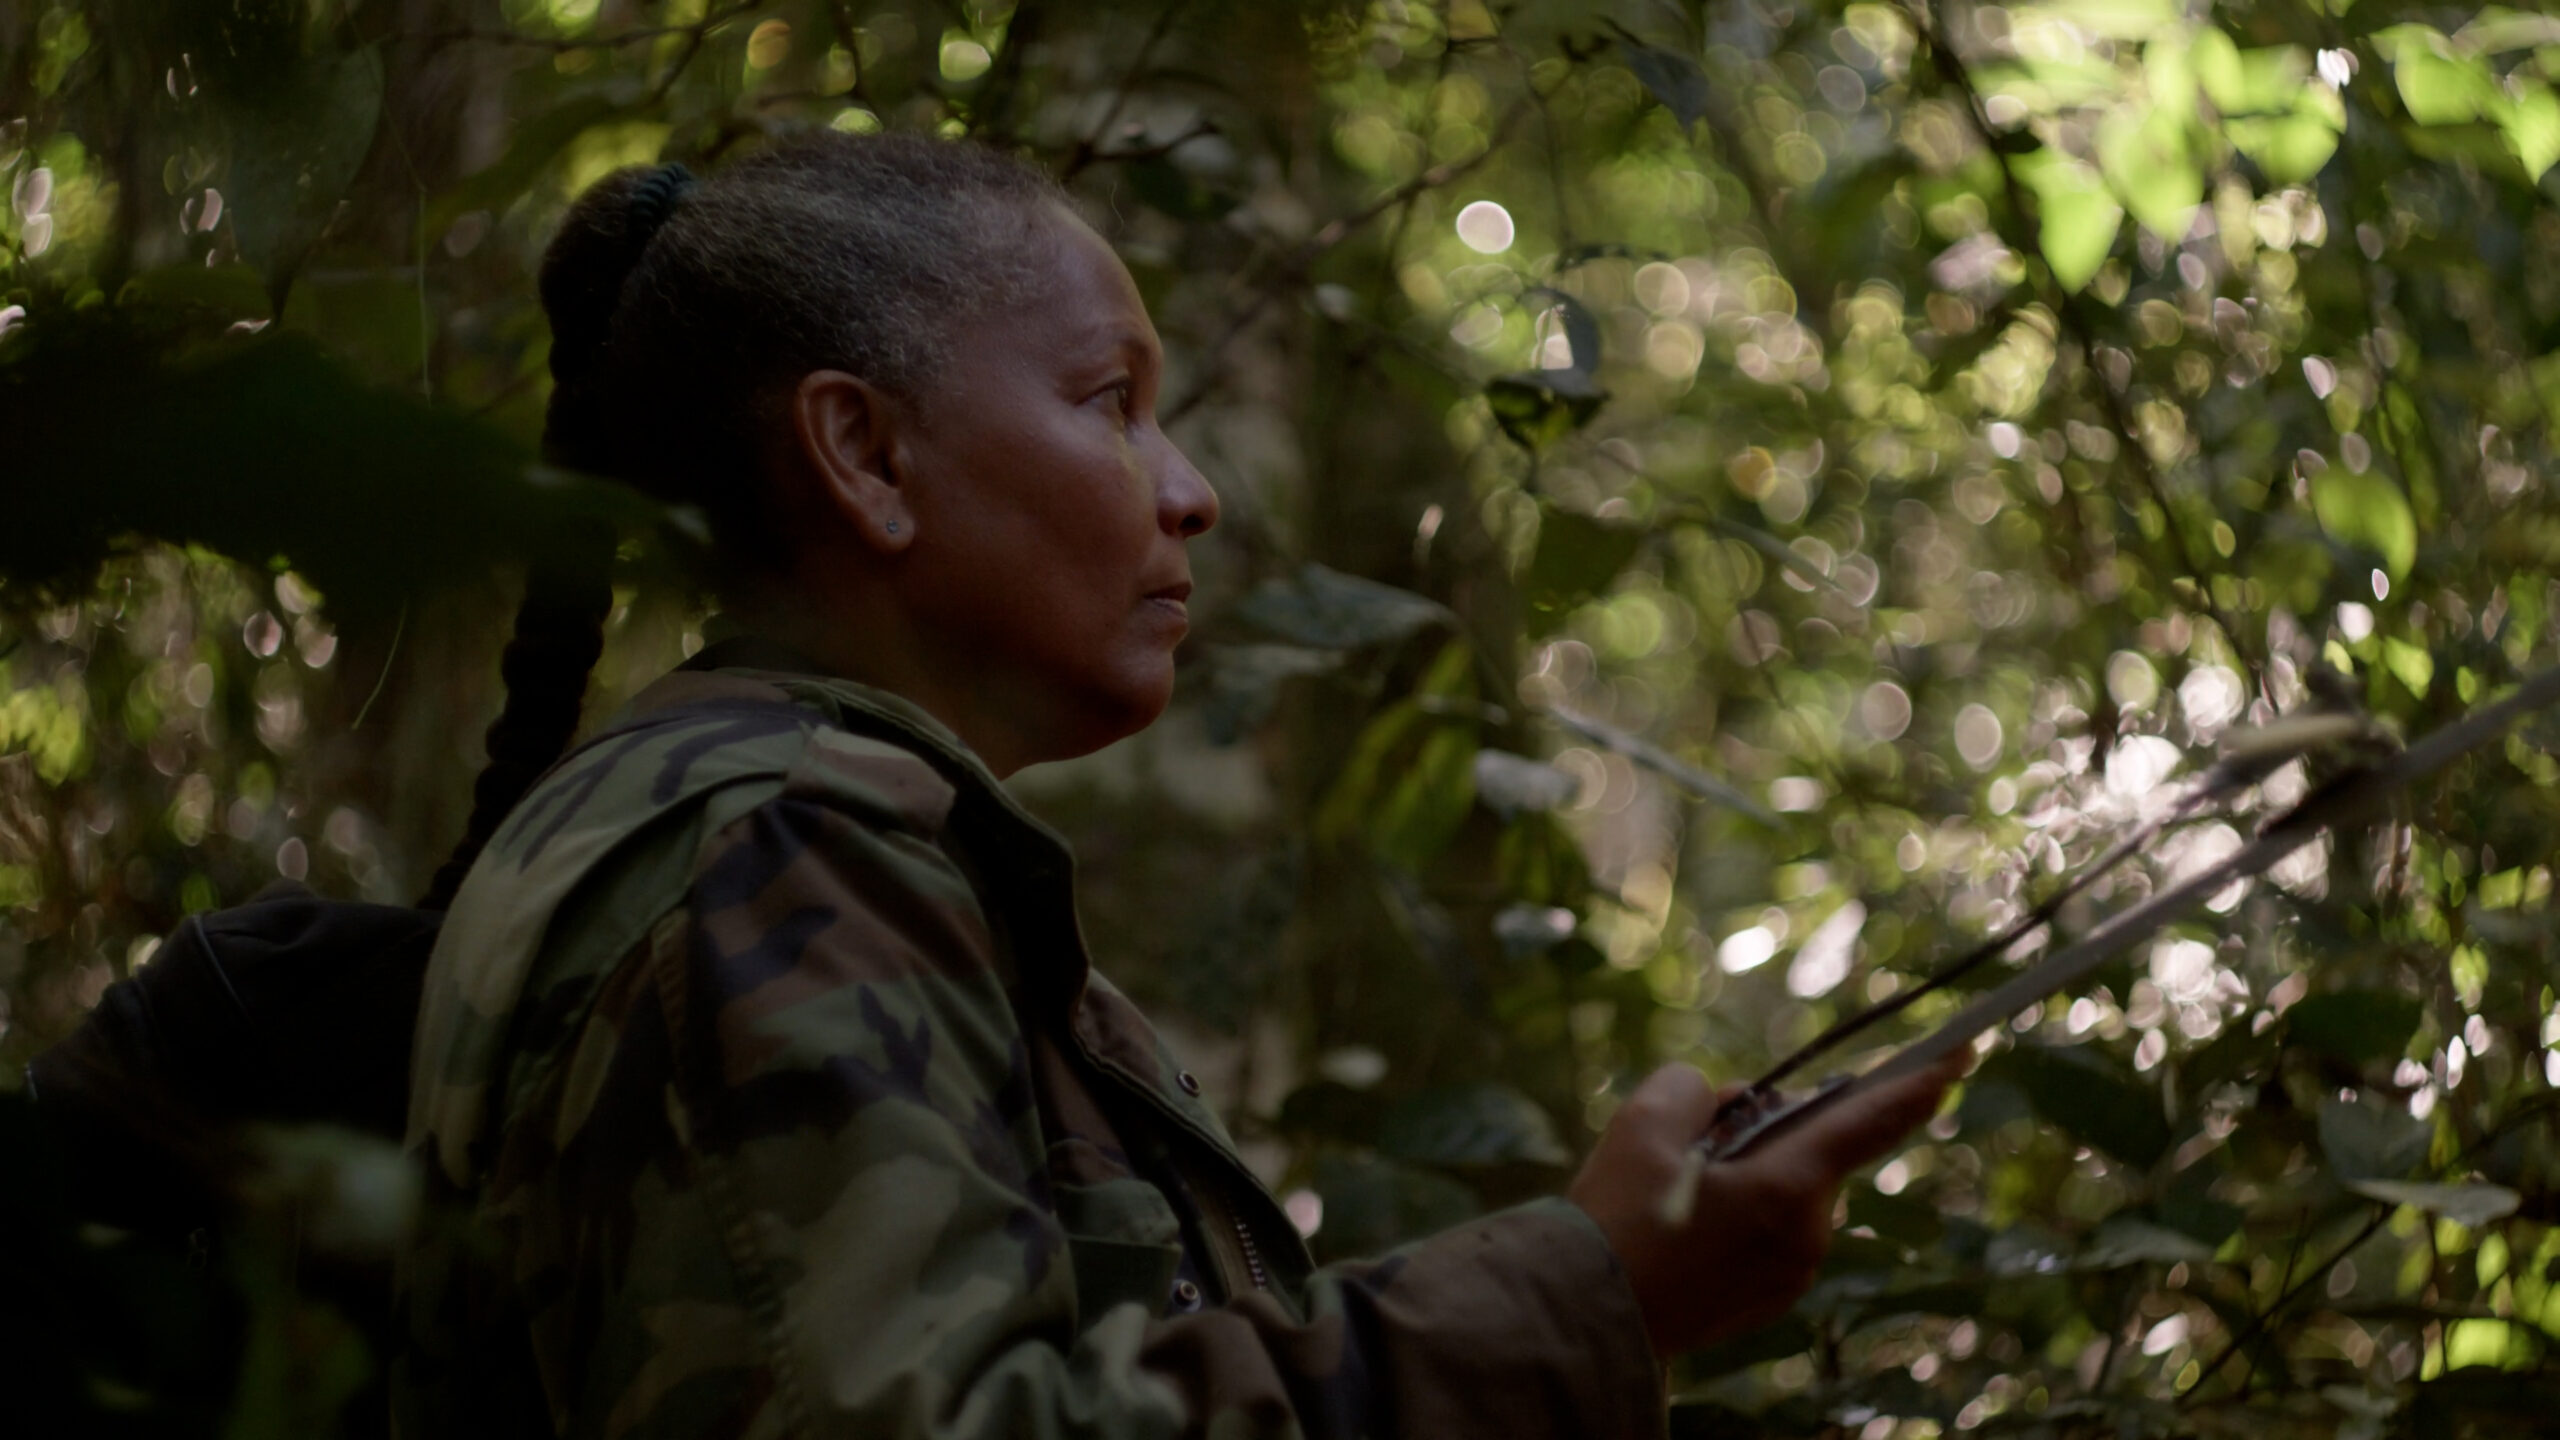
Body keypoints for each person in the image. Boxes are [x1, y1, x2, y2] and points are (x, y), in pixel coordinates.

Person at [395, 132, 1966, 1440]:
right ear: (863, 457)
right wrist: (1588, 1298)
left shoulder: (780, 834)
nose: (1191, 492)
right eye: (1110, 404)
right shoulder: (779, 856)